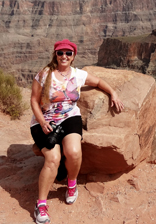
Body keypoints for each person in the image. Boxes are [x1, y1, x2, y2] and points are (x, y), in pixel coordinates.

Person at [30, 39, 124, 224]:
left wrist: (113, 92)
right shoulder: (44, 74)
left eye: (68, 53)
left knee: (73, 152)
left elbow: (98, 82)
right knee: (53, 158)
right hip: (45, 120)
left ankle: (71, 184)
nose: (64, 56)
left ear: (73, 56)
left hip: (70, 117)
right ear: (55, 55)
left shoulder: (78, 75)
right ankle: (41, 203)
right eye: (60, 52)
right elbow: (34, 100)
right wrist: (41, 121)